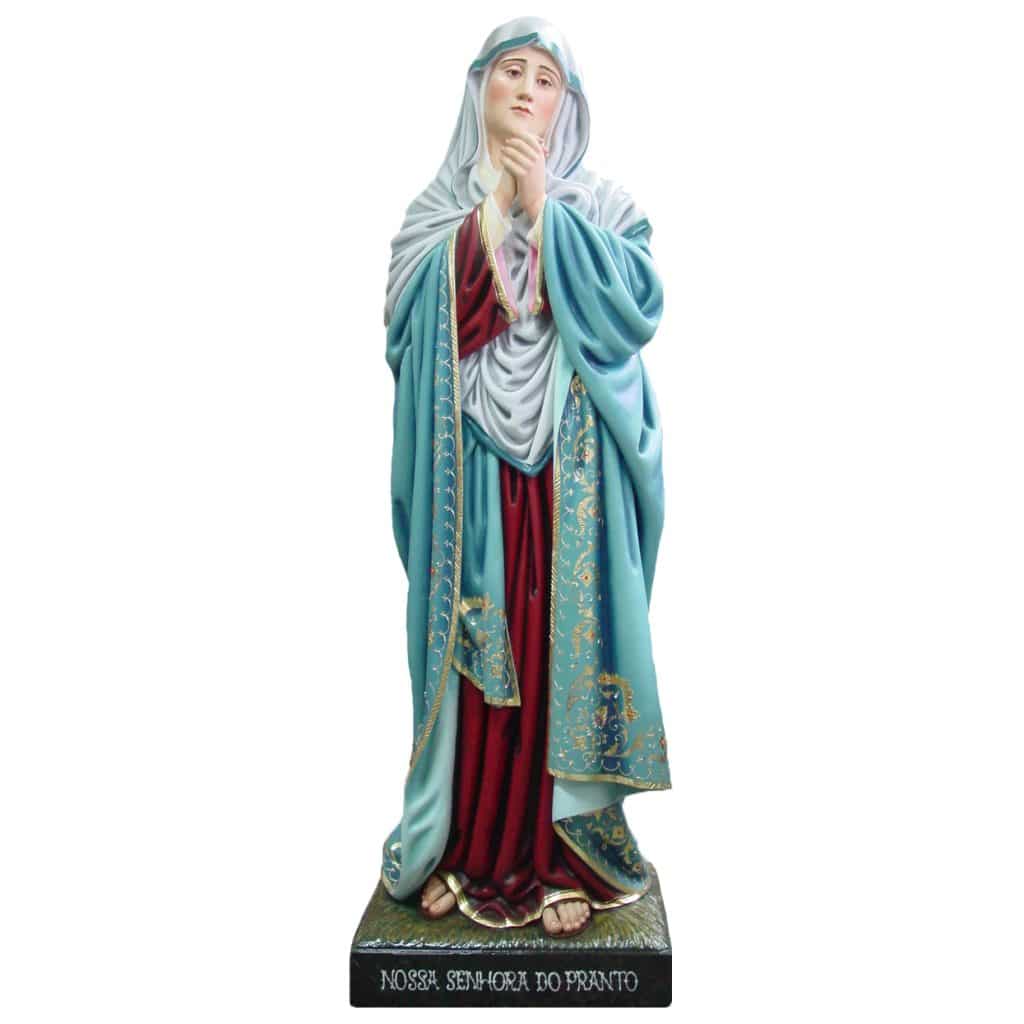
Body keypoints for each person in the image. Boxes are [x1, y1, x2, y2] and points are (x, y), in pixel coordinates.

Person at [380, 16, 671, 938]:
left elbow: (635, 307)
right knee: (477, 661)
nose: (527, 91)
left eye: (547, 79)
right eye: (512, 71)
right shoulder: (436, 214)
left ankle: (564, 857)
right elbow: (409, 327)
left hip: (570, 480)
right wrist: (495, 210)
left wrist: (546, 207)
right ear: (480, 89)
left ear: (568, 106)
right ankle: (466, 849)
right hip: (471, 480)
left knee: (561, 654)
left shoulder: (607, 209)